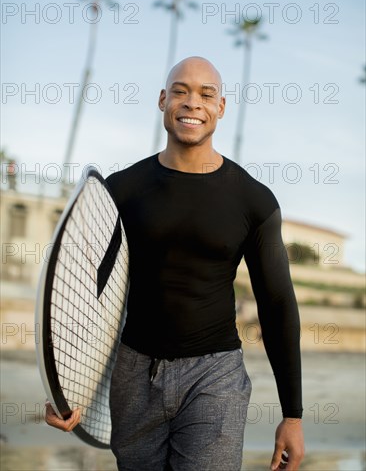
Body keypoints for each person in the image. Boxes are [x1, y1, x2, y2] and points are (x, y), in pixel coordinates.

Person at [45, 56, 305, 470]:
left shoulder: (253, 200)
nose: (192, 103)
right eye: (180, 91)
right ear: (163, 100)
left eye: (206, 94)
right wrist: (63, 387)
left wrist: (293, 415)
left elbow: (277, 305)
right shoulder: (121, 190)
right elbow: (82, 292)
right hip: (133, 372)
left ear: (221, 108)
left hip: (215, 375)